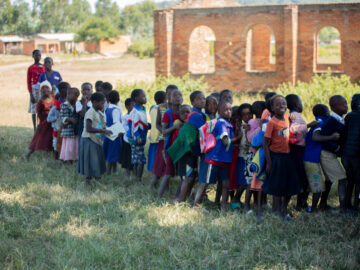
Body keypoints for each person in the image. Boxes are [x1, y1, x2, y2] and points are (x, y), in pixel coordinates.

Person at [194, 102, 241, 211]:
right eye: (225, 110)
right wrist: (238, 137)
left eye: (230, 109)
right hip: (214, 159)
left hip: (223, 160)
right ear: (219, 112)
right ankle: (195, 206)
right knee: (205, 182)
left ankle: (223, 207)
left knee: (225, 183)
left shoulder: (228, 124)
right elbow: (225, 142)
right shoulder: (221, 123)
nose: (229, 111)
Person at [262, 95, 302, 221]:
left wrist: (292, 118)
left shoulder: (286, 117)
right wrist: (269, 162)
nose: (282, 106)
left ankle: (283, 209)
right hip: (276, 157)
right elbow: (265, 143)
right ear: (272, 108)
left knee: (288, 184)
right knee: (278, 186)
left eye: (284, 103)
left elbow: (290, 127)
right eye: (278, 104)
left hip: (287, 156)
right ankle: (278, 212)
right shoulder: (272, 123)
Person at [312, 95, 348, 211]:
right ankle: (343, 208)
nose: (346, 106)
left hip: (330, 153)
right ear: (333, 107)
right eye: (342, 104)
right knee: (343, 179)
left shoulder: (340, 119)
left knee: (329, 180)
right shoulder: (331, 121)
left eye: (346, 103)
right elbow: (321, 137)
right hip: (326, 154)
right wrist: (336, 148)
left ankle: (322, 204)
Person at [286, 94, 319, 211]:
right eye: (300, 102)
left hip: (299, 150)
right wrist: (309, 125)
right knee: (301, 179)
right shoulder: (293, 115)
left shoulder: (296, 115)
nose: (302, 105)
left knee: (301, 179)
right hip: (296, 151)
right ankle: (298, 205)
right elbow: (293, 129)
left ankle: (301, 204)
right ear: (296, 104)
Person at [175, 91, 206, 202]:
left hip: (190, 151)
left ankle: (184, 198)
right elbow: (203, 132)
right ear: (192, 102)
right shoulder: (196, 116)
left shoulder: (197, 114)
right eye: (199, 99)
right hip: (188, 151)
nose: (202, 100)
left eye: (203, 98)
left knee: (190, 176)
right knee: (187, 177)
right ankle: (180, 201)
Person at [77, 92, 112, 184]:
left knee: (96, 159)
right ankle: (87, 181)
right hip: (88, 139)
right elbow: (88, 128)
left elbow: (102, 125)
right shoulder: (90, 112)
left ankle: (96, 177)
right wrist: (103, 131)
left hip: (96, 139)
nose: (103, 105)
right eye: (101, 103)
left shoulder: (99, 112)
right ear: (95, 102)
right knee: (89, 160)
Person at [303, 104, 331, 212]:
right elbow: (316, 136)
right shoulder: (321, 122)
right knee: (318, 186)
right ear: (326, 112)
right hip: (311, 159)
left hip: (308, 157)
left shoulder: (317, 121)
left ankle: (303, 205)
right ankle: (314, 209)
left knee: (310, 185)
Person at [157, 89, 183, 199]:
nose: (178, 97)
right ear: (170, 99)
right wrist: (174, 127)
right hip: (171, 148)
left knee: (183, 176)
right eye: (175, 95)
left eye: (180, 95)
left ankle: (177, 197)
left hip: (182, 148)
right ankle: (158, 197)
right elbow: (163, 131)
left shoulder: (185, 111)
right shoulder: (168, 113)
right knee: (168, 173)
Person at [151, 85, 178, 188]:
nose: (172, 96)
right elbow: (157, 123)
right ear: (166, 94)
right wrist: (162, 130)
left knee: (170, 164)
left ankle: (167, 187)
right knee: (160, 163)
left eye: (174, 94)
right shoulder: (161, 107)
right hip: (164, 139)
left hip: (175, 140)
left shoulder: (180, 108)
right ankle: (153, 185)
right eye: (169, 94)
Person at [24, 81, 55, 161]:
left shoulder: (53, 98)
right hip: (44, 123)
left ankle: (55, 156)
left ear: (50, 89)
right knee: (38, 139)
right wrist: (39, 124)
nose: (45, 90)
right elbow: (39, 114)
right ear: (41, 91)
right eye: (43, 88)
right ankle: (28, 154)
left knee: (53, 138)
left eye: (47, 88)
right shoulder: (41, 101)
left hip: (53, 123)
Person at [248, 101, 266, 220]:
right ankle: (247, 205)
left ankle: (261, 203)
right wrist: (260, 126)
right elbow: (251, 139)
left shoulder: (266, 122)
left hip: (263, 155)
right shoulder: (252, 122)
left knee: (261, 181)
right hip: (253, 156)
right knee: (251, 182)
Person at [342, 94, 360, 211]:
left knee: (350, 181)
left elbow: (344, 135)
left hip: (346, 154)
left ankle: (346, 205)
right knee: (359, 182)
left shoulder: (349, 116)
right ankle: (355, 207)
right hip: (357, 155)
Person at [127, 89, 150, 182]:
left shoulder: (142, 109)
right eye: (143, 96)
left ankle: (136, 178)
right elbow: (133, 125)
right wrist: (137, 136)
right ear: (136, 98)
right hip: (137, 137)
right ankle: (138, 179)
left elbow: (142, 123)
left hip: (137, 136)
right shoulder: (135, 111)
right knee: (141, 160)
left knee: (136, 158)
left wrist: (149, 126)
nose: (145, 98)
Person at [102, 90, 123, 176]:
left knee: (110, 153)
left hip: (107, 133)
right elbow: (116, 122)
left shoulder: (107, 109)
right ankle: (109, 172)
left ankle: (114, 171)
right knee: (113, 154)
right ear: (118, 99)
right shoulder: (116, 110)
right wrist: (120, 132)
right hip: (114, 135)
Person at [59, 88, 80, 163]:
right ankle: (67, 159)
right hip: (68, 129)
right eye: (68, 94)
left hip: (76, 130)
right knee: (69, 146)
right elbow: (62, 116)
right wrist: (70, 119)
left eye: (71, 94)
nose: (68, 95)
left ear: (77, 96)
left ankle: (75, 159)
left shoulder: (79, 104)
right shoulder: (64, 105)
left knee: (76, 145)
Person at [148, 91, 166, 173]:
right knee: (158, 156)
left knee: (152, 155)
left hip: (152, 135)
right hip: (159, 136)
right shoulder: (163, 109)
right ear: (166, 99)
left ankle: (151, 169)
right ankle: (156, 170)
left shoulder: (152, 107)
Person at [27, 49, 45, 131]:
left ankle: (40, 126)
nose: (38, 56)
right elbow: (28, 82)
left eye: (39, 55)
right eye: (36, 55)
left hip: (43, 89)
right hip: (34, 90)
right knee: (34, 110)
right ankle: (34, 128)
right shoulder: (30, 68)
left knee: (41, 110)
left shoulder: (43, 67)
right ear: (33, 56)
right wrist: (31, 94)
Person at [119, 98, 134, 176]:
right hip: (127, 140)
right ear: (127, 107)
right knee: (127, 157)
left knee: (134, 156)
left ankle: (134, 172)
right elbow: (124, 128)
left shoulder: (136, 115)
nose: (134, 107)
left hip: (134, 140)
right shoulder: (125, 117)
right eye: (133, 105)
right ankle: (128, 173)